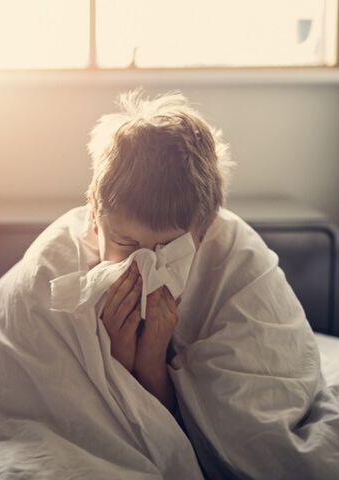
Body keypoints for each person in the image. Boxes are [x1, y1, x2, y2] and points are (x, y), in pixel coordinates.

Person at [83, 89, 234, 413]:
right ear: (95, 219)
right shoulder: (65, 268)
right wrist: (116, 360)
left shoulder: (224, 271)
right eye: (126, 244)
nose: (145, 265)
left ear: (203, 232)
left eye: (168, 249)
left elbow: (187, 439)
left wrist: (151, 362)